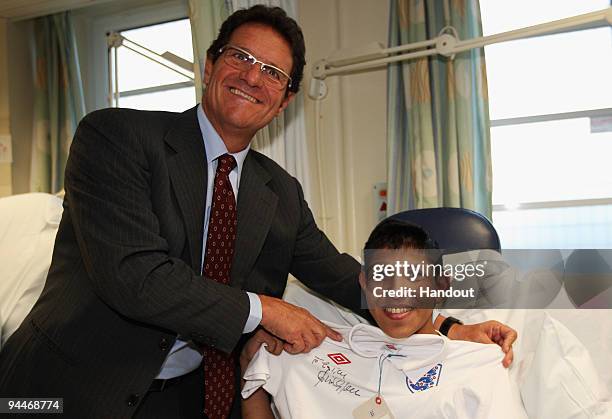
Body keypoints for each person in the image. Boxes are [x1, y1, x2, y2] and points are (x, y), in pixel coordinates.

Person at [0, 5, 515, 419]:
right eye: (241, 57)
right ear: (209, 63)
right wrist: (267, 310)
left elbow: (342, 277)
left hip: (187, 395)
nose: (253, 77)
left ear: (284, 100)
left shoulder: (280, 193)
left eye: (272, 72)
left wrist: (446, 326)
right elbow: (135, 277)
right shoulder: (116, 138)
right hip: (64, 389)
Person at [240, 219, 527, 419]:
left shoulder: (480, 366)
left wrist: (453, 330)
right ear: (364, 284)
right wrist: (248, 366)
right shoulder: (311, 350)